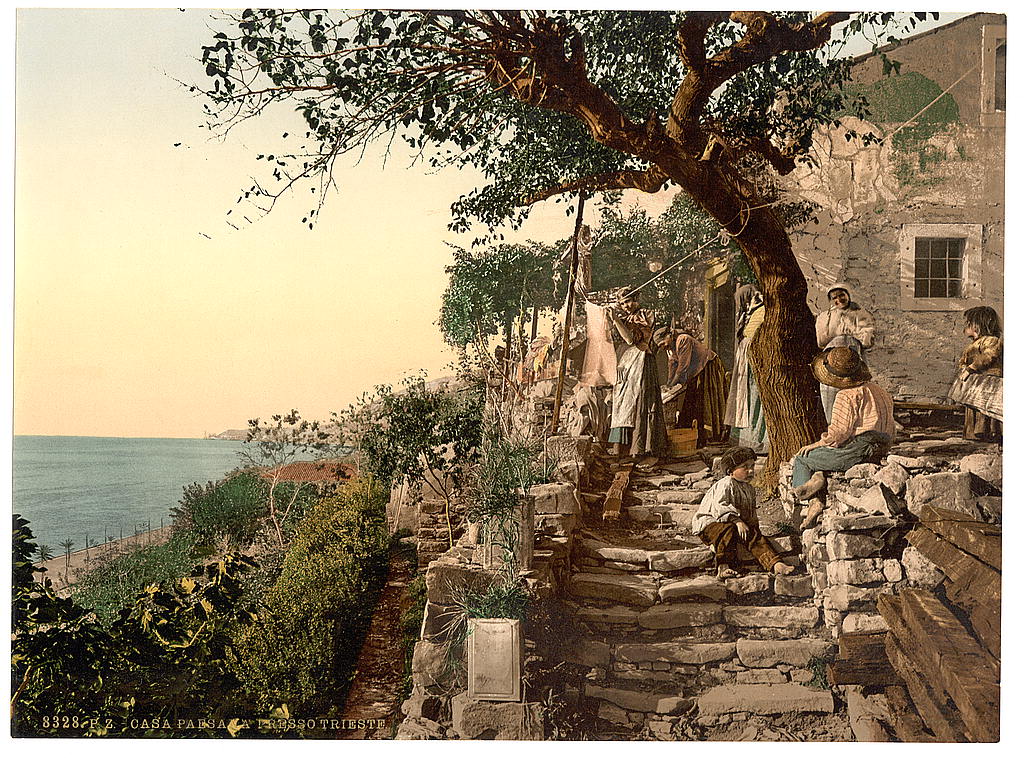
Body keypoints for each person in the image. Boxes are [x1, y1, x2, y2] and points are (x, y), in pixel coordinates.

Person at [790, 346, 895, 529]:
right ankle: (818, 478)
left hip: (859, 449)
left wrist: (818, 444)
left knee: (803, 458)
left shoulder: (846, 395)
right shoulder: (879, 390)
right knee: (824, 459)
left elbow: (839, 433)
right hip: (882, 447)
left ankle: (809, 499)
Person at [692, 447, 796, 579]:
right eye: (745, 467)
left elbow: (750, 514)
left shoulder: (749, 489)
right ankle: (723, 566)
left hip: (735, 524)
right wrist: (737, 521)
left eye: (752, 466)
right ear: (730, 471)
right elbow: (720, 507)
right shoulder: (725, 484)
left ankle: (775, 564)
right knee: (727, 530)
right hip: (711, 524)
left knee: (753, 535)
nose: (751, 470)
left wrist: (753, 530)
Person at [606, 289, 669, 460]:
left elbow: (630, 340)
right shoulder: (624, 319)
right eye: (623, 303)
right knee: (623, 404)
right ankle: (623, 449)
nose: (626, 306)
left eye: (629, 301)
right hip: (626, 364)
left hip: (642, 363)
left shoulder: (645, 315)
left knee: (640, 400)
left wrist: (615, 319)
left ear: (637, 299)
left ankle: (641, 448)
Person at [655, 326, 726, 447]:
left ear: (669, 335)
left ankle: (713, 435)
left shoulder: (683, 339)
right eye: (660, 346)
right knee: (692, 402)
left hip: (707, 366)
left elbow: (683, 367)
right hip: (695, 372)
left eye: (663, 343)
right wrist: (668, 384)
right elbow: (672, 366)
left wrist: (673, 385)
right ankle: (697, 436)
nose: (663, 346)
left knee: (706, 401)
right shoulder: (670, 349)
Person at [814, 283, 876, 422]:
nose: (839, 300)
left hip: (853, 355)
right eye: (834, 298)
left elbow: (867, 341)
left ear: (848, 295)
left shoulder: (860, 314)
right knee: (830, 390)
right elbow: (821, 341)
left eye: (842, 295)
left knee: (854, 390)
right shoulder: (826, 317)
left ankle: (855, 425)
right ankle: (833, 425)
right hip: (832, 357)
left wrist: (850, 335)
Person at [725, 285, 768, 452]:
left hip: (755, 359)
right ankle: (746, 439)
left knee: (756, 397)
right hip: (744, 363)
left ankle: (758, 440)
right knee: (744, 397)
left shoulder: (763, 311)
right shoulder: (747, 314)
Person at [951, 306, 1003, 442]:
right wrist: (963, 368)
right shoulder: (972, 345)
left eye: (968, 323)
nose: (965, 327)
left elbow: (988, 356)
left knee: (987, 407)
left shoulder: (991, 341)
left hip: (988, 381)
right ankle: (974, 433)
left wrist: (971, 368)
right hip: (975, 383)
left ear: (977, 326)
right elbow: (964, 361)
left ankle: (990, 434)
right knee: (974, 407)